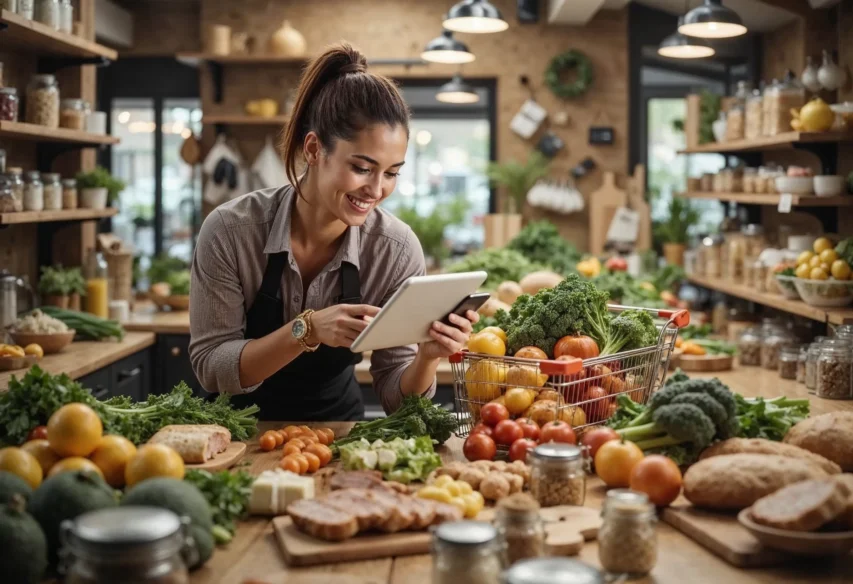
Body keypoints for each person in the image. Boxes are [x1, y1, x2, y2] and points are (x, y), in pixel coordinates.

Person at [188, 43, 478, 421]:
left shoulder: (395, 249)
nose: (376, 191)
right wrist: (306, 330)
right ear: (313, 149)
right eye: (362, 167)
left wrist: (426, 357)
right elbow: (213, 368)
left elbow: (397, 401)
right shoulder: (231, 231)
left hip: (335, 432)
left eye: (391, 173)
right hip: (231, 434)